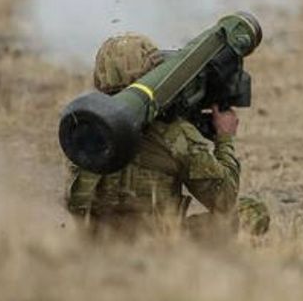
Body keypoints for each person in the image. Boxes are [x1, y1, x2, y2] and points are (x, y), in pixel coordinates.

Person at [65, 33, 269, 237]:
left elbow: (76, 201)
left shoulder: (84, 128)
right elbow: (224, 199)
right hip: (161, 243)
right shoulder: (175, 135)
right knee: (252, 211)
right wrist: (225, 139)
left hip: (98, 241)